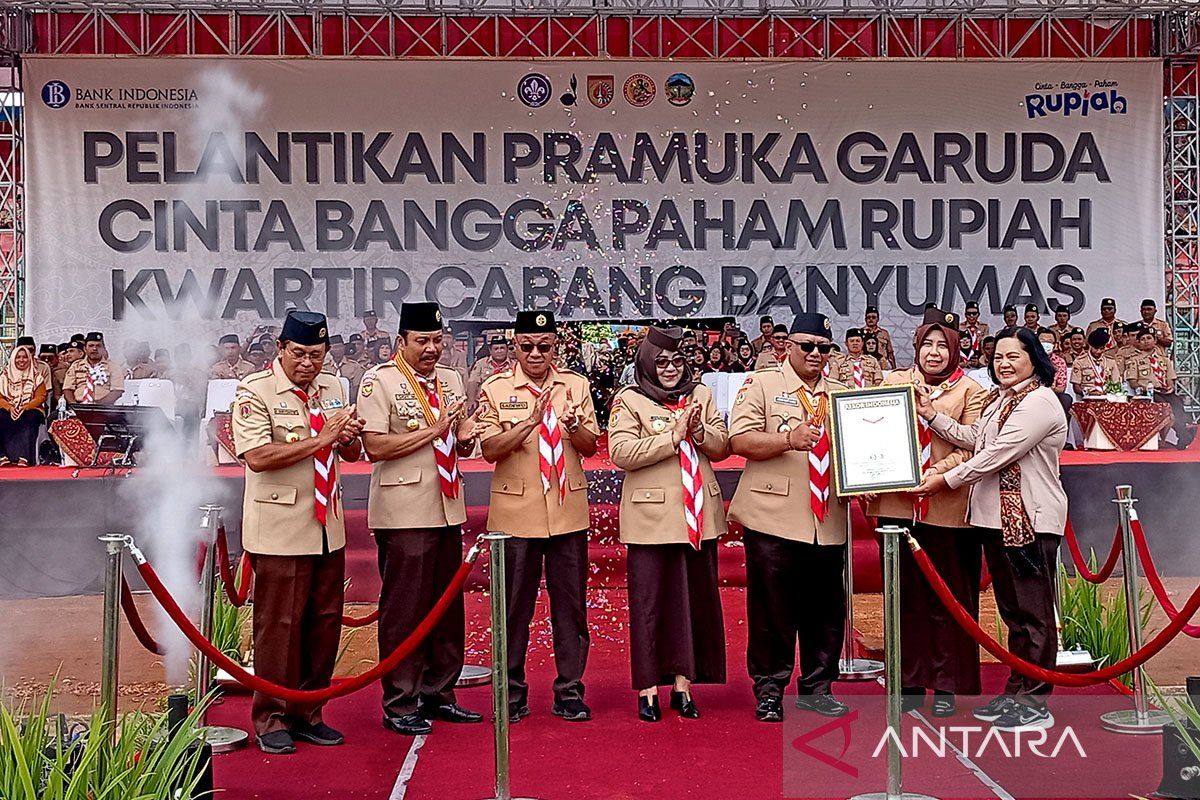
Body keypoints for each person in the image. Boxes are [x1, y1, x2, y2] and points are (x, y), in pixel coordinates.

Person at [913, 326, 1068, 731]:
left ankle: (1036, 699)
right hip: (994, 520)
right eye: (998, 357)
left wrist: (944, 480)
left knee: (1033, 614)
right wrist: (932, 416)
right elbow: (976, 440)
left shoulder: (1039, 402)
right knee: (1013, 612)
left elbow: (997, 455)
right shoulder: (1001, 401)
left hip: (1029, 521)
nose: (1004, 364)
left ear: (1034, 358)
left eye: (1014, 356)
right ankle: (1018, 688)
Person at [231, 310, 364, 755]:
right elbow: (257, 456)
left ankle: (310, 711)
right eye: (301, 353)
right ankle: (270, 717)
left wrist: (347, 438)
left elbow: (348, 448)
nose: (309, 363)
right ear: (281, 349)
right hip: (281, 528)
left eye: (318, 354)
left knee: (324, 623)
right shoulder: (255, 390)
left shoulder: (334, 387)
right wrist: (322, 439)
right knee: (279, 626)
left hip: (328, 523)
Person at [358, 302, 484, 736]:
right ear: (401, 342)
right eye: (422, 341)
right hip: (404, 510)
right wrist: (435, 431)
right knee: (406, 609)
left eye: (437, 340)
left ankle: (440, 692)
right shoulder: (380, 381)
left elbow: (458, 438)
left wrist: (464, 438)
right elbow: (375, 447)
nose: (431, 349)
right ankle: (400, 700)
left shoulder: (450, 379)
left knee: (446, 606)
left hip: (448, 505)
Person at [478, 310, 599, 723]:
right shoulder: (496, 388)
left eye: (543, 346)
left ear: (555, 347)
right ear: (515, 346)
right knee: (513, 609)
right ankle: (510, 692)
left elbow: (589, 444)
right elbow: (490, 449)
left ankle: (570, 691)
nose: (534, 353)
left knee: (570, 608)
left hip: (566, 512)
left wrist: (575, 424)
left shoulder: (575, 386)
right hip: (516, 513)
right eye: (526, 345)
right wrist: (529, 423)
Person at [728, 312, 850, 723]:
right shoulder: (762, 384)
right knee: (771, 610)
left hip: (827, 516)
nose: (816, 354)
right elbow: (739, 439)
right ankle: (769, 689)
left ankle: (818, 687)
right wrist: (787, 439)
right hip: (773, 515)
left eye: (824, 348)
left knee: (827, 610)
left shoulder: (842, 393)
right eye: (807, 346)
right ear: (787, 346)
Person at [869, 308, 987, 716]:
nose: (934, 353)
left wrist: (937, 472)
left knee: (949, 597)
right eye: (928, 344)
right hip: (898, 505)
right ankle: (908, 681)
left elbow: (973, 446)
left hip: (947, 508)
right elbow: (872, 432)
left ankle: (947, 684)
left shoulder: (971, 390)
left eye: (943, 345)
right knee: (905, 598)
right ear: (916, 347)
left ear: (955, 350)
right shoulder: (893, 382)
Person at [608, 327, 729, 722]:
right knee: (651, 605)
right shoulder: (630, 399)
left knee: (692, 600)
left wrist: (698, 432)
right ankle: (647, 688)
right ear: (646, 363)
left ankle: (683, 684)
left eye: (678, 362)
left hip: (698, 514)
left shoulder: (701, 395)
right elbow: (621, 452)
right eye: (661, 362)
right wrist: (673, 438)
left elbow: (721, 445)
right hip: (652, 518)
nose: (671, 370)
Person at [1125, 326, 1195, 448]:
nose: (1146, 341)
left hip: (1165, 391)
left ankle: (1183, 434)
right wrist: (1146, 389)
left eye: (1149, 338)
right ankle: (1183, 435)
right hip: (1148, 393)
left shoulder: (1164, 360)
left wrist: (1170, 387)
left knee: (1177, 403)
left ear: (1155, 340)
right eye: (1142, 339)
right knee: (1165, 406)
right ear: (1138, 343)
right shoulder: (1134, 360)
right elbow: (1133, 382)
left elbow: (1170, 378)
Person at [0, 338, 51, 467]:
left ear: (29, 358)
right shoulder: (4, 376)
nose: (21, 360)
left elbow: (41, 397)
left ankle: (25, 457)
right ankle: (2, 456)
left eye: (24, 357)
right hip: (9, 408)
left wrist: (25, 407)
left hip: (32, 408)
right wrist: (9, 407)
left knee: (29, 418)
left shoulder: (37, 376)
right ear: (12, 359)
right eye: (18, 357)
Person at [63, 332, 123, 405]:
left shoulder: (113, 366)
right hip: (78, 405)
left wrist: (97, 407)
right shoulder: (76, 366)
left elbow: (117, 391)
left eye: (98, 346)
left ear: (103, 348)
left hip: (104, 408)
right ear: (85, 349)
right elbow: (67, 389)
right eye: (91, 346)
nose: (94, 349)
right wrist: (74, 405)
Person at [466, 335, 515, 411]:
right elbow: (473, 382)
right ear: (490, 350)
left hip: (506, 403)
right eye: (496, 348)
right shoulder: (481, 364)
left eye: (502, 348)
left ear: (507, 349)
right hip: (484, 402)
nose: (499, 351)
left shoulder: (514, 365)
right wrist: (471, 400)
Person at [1071, 329, 1121, 398]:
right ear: (1090, 346)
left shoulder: (1111, 361)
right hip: (1087, 398)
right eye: (1096, 348)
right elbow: (1076, 387)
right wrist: (1087, 392)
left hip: (1107, 398)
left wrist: (1110, 392)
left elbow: (1116, 383)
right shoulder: (1080, 361)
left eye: (1102, 348)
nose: (1098, 351)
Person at [322, 335, 366, 402]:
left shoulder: (355, 366)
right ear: (329, 349)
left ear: (344, 347)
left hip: (350, 401)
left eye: (340, 346)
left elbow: (357, 388)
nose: (338, 349)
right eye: (335, 347)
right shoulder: (325, 367)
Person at [959, 301, 990, 367]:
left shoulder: (984, 327)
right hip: (964, 359)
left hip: (979, 359)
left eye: (974, 313)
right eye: (969, 314)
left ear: (978, 314)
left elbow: (985, 346)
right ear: (965, 314)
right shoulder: (960, 327)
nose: (971, 316)